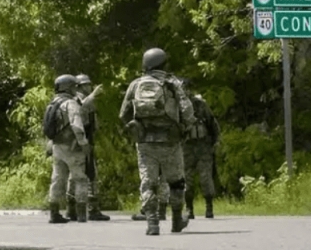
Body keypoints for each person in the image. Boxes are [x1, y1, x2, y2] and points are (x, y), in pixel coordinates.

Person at [119, 48, 195, 235]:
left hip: (144, 142)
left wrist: (135, 126)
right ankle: (177, 221)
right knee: (176, 182)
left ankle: (152, 223)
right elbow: (187, 109)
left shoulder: (136, 84)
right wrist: (185, 127)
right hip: (170, 140)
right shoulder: (172, 83)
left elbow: (123, 114)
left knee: (148, 182)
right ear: (164, 64)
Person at [65, 74, 110, 221]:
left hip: (87, 139)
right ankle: (79, 209)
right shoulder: (75, 100)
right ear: (79, 86)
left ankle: (89, 208)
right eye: (86, 85)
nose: (89, 87)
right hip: (79, 141)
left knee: (90, 173)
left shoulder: (86, 99)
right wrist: (92, 96)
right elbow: (80, 112)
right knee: (80, 175)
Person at [46, 74, 90, 224]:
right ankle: (82, 214)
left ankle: (54, 213)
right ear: (68, 88)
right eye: (74, 87)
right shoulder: (71, 104)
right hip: (72, 147)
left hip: (57, 147)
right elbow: (76, 125)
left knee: (57, 179)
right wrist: (83, 143)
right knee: (80, 179)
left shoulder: (54, 103)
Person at [181, 79, 220, 219]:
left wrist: (216, 141)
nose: (185, 92)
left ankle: (209, 207)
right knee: (187, 180)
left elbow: (212, 123)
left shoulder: (201, 105)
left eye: (187, 89)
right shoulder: (177, 108)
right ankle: (189, 209)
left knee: (206, 178)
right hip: (186, 147)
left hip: (203, 146)